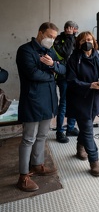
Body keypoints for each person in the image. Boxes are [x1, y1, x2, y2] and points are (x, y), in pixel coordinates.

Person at [16, 22, 66, 192]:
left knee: (43, 135)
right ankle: (23, 176)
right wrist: (51, 75)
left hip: (49, 100)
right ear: (40, 33)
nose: (51, 40)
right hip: (32, 100)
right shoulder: (25, 50)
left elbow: (63, 68)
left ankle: (37, 164)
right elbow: (32, 73)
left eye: (54, 38)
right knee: (29, 138)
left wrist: (53, 66)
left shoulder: (49, 51)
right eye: (49, 36)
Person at [66, 31, 99, 177]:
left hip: (94, 98)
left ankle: (80, 147)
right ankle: (94, 161)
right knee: (88, 130)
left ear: (94, 41)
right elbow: (71, 81)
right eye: (83, 40)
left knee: (86, 126)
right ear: (78, 43)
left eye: (89, 39)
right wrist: (89, 85)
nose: (87, 42)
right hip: (80, 99)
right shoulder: (73, 59)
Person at [53, 21, 79, 143]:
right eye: (72, 29)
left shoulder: (77, 39)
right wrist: (69, 37)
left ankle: (70, 128)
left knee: (73, 102)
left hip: (74, 76)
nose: (74, 32)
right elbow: (66, 53)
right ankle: (59, 132)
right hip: (63, 76)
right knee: (63, 104)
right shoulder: (58, 39)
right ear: (67, 29)